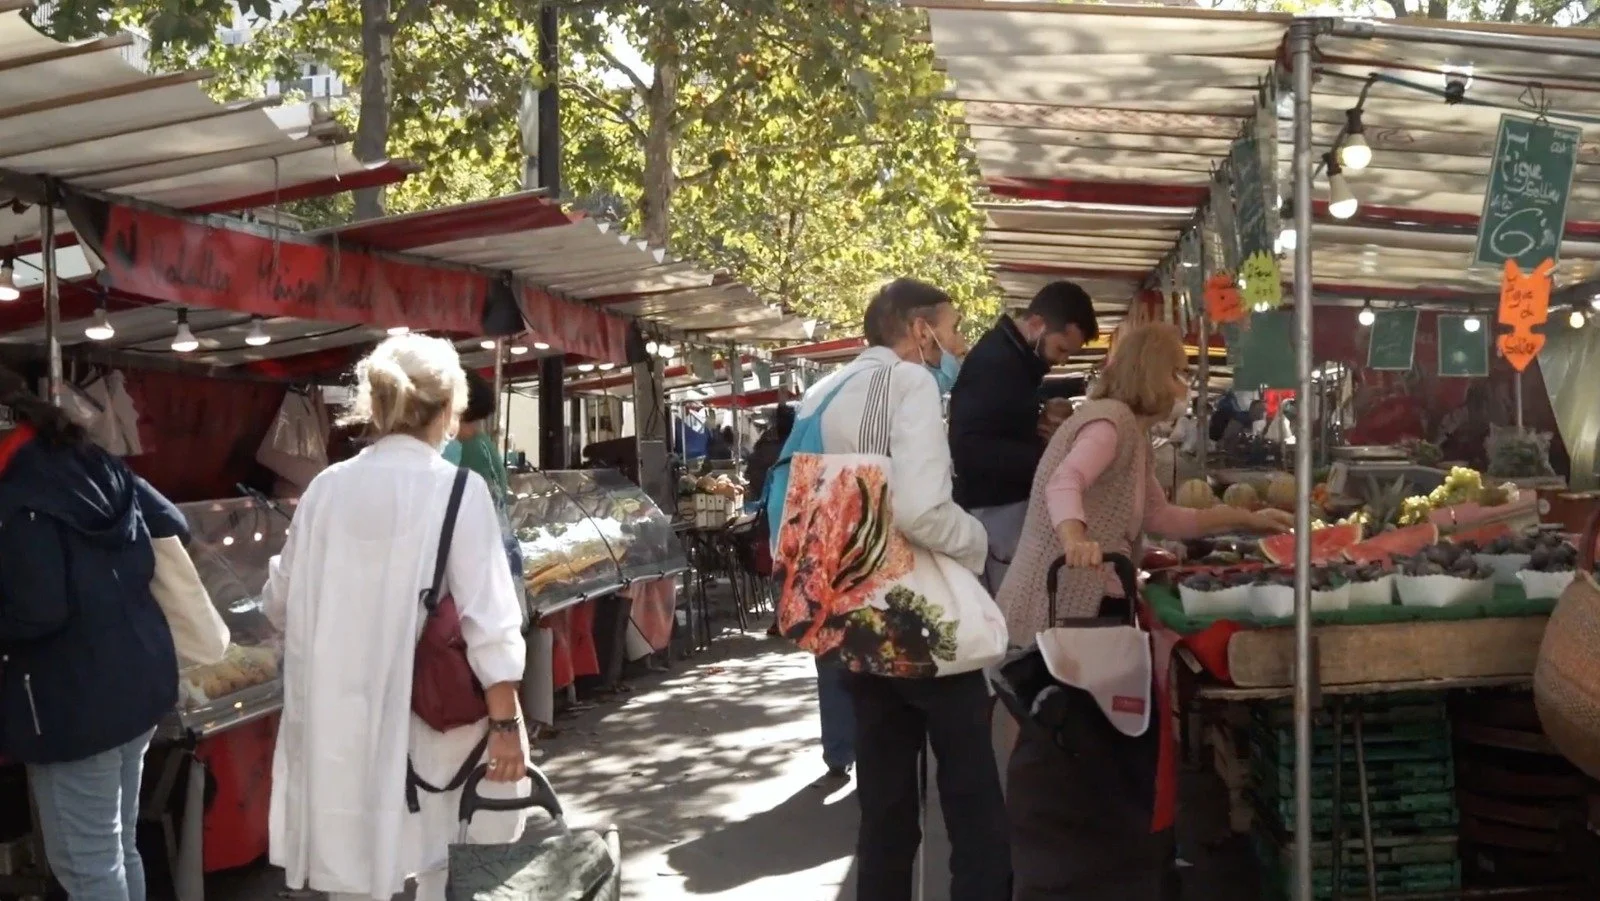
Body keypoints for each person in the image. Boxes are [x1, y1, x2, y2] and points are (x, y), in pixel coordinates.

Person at [996, 323, 1292, 900]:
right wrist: (1076, 535)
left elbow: (1164, 518)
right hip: (1055, 605)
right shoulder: (1108, 425)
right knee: (1049, 737)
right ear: (1153, 376)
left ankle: (1073, 857)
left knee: (1062, 739)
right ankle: (1047, 866)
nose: (1183, 388)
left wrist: (1245, 520)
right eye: (1178, 375)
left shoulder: (1130, 432)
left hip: (1079, 608)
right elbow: (1065, 483)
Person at [266, 335, 530, 901]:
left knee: (354, 872)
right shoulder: (460, 490)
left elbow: (278, 602)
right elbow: (491, 623)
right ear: (449, 408)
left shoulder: (324, 491)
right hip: (434, 726)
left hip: (341, 726)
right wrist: (507, 728)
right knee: (446, 864)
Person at [800, 278, 1008, 900]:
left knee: (885, 808)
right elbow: (920, 510)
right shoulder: (912, 382)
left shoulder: (830, 390)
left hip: (862, 616)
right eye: (953, 328)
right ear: (920, 331)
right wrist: (978, 543)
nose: (959, 343)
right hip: (925, 620)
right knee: (972, 803)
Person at [0, 367, 198, 901]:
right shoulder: (86, 456)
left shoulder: (17, 494)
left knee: (85, 864)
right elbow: (172, 521)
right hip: (138, 680)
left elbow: (37, 611)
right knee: (115, 846)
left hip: (72, 702)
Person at [949, 280, 1099, 593]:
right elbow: (969, 448)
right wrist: (1046, 455)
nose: (1060, 361)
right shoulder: (995, 363)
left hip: (1005, 506)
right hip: (993, 510)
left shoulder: (1013, 361)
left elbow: (1001, 422)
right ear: (1036, 324)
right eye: (1060, 349)